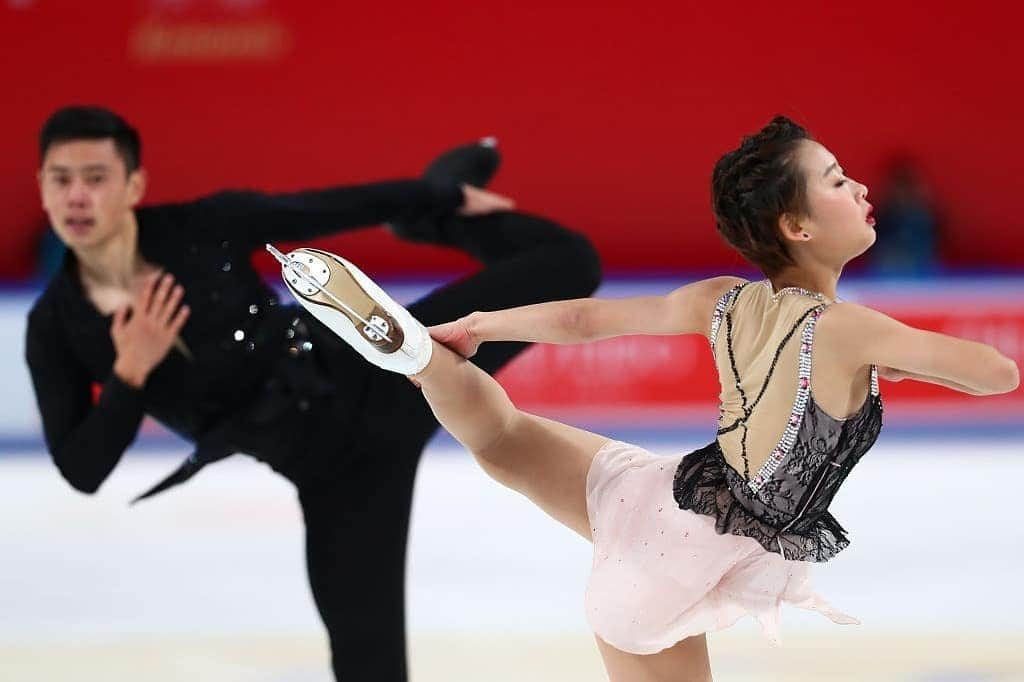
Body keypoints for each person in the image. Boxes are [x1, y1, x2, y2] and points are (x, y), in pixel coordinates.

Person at [272, 116, 1019, 682]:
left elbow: (582, 318)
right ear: (797, 227)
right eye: (835, 179)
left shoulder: (723, 301)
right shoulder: (853, 328)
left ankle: (427, 359)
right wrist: (909, 356)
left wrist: (477, 323)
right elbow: (995, 372)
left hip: (663, 500)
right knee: (507, 443)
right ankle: (426, 360)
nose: (859, 188)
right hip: (686, 560)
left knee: (500, 438)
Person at [25, 106, 602, 681]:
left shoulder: (197, 227)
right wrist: (129, 376)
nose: (77, 196)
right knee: (369, 668)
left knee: (568, 262)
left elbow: (326, 209)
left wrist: (435, 199)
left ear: (133, 185)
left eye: (95, 178)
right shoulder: (55, 328)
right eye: (62, 179)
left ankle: (441, 223)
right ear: (43, 190)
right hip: (337, 478)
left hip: (385, 364)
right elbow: (82, 467)